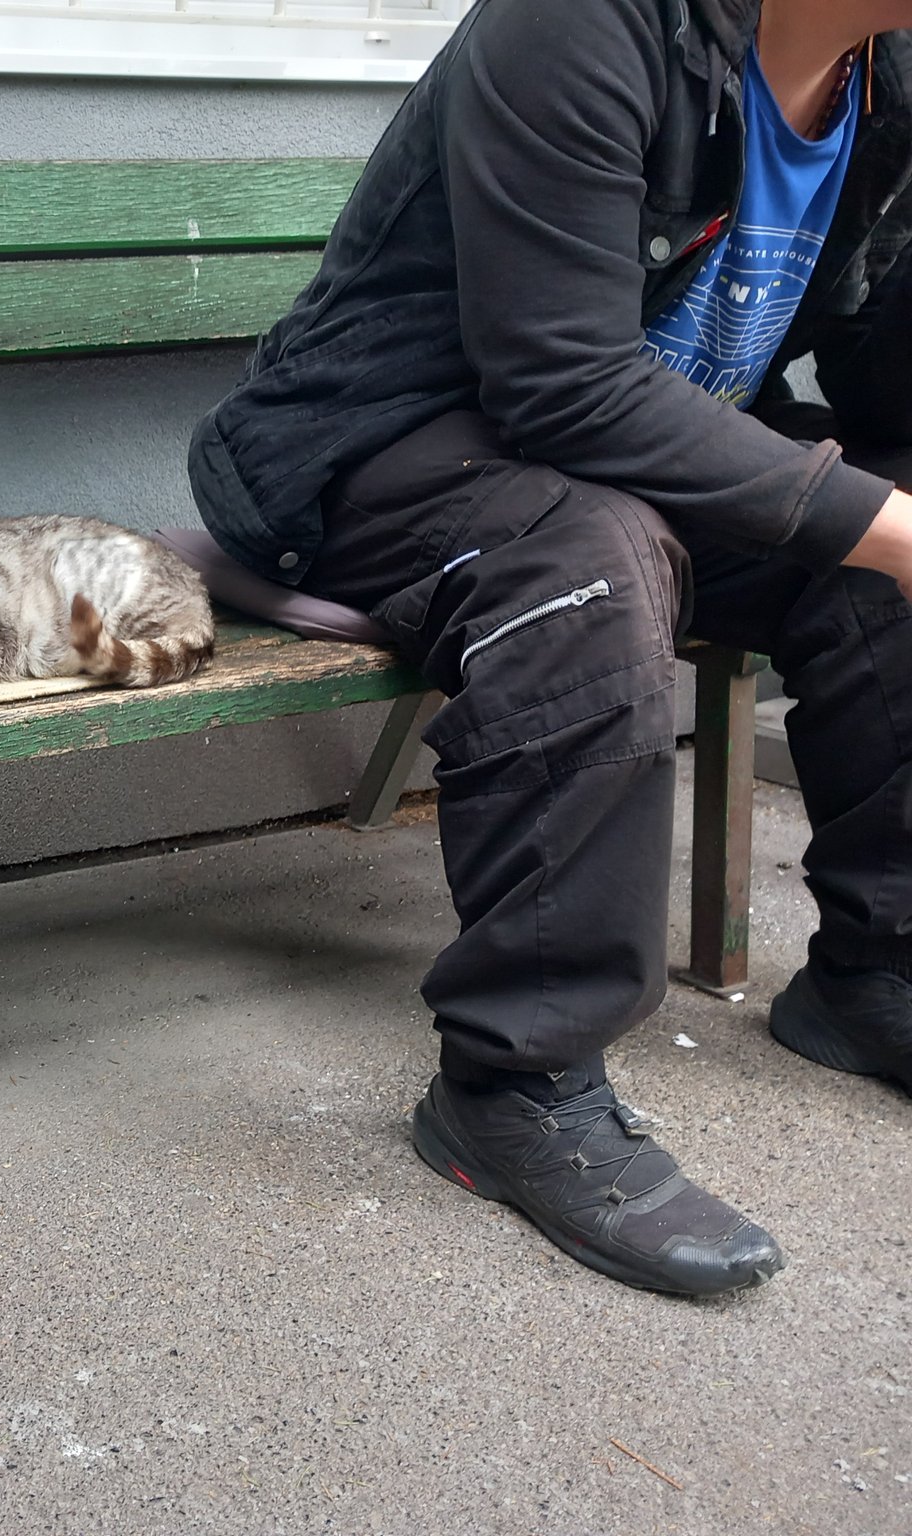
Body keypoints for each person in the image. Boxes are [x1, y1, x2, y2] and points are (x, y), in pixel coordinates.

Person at [190, 0, 912, 1297]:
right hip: (388, 446)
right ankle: (515, 1085)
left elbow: (877, 380)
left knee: (883, 536)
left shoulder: (885, 82)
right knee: (589, 561)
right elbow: (562, 383)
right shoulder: (587, 24)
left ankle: (879, 973)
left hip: (637, 458)